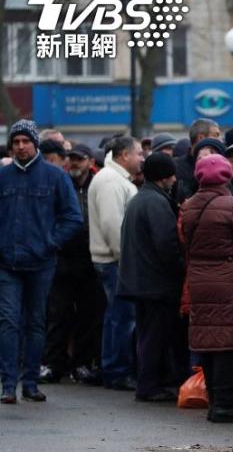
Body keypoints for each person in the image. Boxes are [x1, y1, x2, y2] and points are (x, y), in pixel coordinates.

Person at [0, 120, 83, 404]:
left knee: (36, 322)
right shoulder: (3, 176)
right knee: (9, 322)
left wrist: (50, 243)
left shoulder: (55, 177)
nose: (21, 146)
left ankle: (31, 382)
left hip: (41, 262)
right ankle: (9, 384)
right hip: (7, 262)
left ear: (35, 143)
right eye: (16, 142)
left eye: (25, 141)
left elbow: (73, 217)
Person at [180, 154, 233, 423]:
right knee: (227, 342)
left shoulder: (189, 206)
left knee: (209, 343)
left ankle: (215, 403)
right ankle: (226, 405)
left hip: (200, 280)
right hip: (230, 282)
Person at [117, 153, 188, 402]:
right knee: (155, 336)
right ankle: (148, 386)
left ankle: (148, 382)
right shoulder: (157, 203)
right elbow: (166, 245)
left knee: (147, 334)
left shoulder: (140, 199)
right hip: (155, 284)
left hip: (140, 282)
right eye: (171, 175)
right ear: (164, 177)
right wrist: (181, 271)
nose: (175, 179)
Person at [41, 144, 105, 386]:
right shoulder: (61, 182)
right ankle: (53, 364)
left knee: (89, 313)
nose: (75, 163)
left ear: (90, 162)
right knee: (59, 313)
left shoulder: (97, 184)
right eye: (72, 159)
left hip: (91, 256)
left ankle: (81, 364)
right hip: (63, 256)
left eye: (80, 159)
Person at [88, 136, 144, 391]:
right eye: (138, 154)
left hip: (113, 260)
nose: (142, 158)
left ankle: (115, 369)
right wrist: (126, 259)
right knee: (121, 318)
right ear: (124, 156)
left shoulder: (114, 179)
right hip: (114, 261)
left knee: (117, 317)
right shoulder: (111, 181)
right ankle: (117, 371)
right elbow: (113, 225)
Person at [174, 118, 221, 205]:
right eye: (216, 135)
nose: (220, 140)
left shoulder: (221, 165)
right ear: (201, 138)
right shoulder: (175, 167)